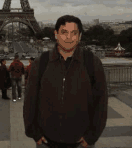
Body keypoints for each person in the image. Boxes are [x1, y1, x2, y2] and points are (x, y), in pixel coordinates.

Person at [23, 15, 108, 148]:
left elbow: (101, 103)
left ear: (80, 36)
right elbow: (30, 100)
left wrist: (91, 137)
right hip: (46, 141)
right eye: (64, 32)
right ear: (56, 34)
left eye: (74, 33)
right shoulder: (41, 62)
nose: (69, 37)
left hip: (81, 142)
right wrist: (35, 134)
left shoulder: (92, 62)